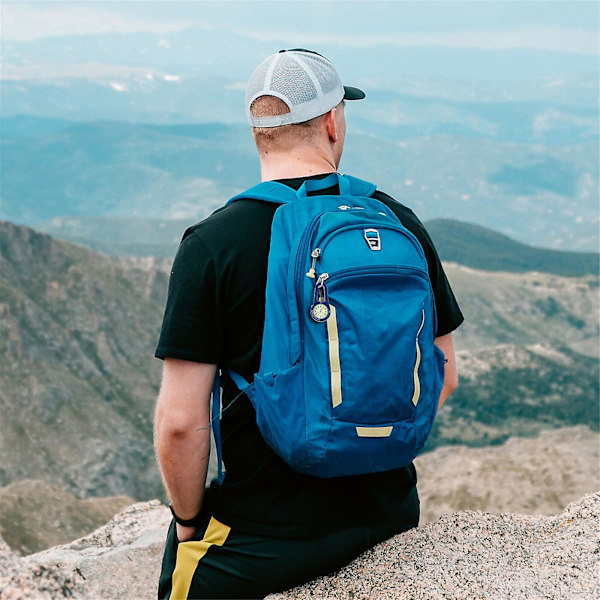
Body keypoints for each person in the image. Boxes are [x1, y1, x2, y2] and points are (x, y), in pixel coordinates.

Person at [154, 48, 463, 600]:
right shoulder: (395, 220)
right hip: (388, 518)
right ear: (331, 122)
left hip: (266, 540)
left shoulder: (212, 245)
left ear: (258, 132)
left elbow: (181, 423)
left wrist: (187, 523)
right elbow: (443, 372)